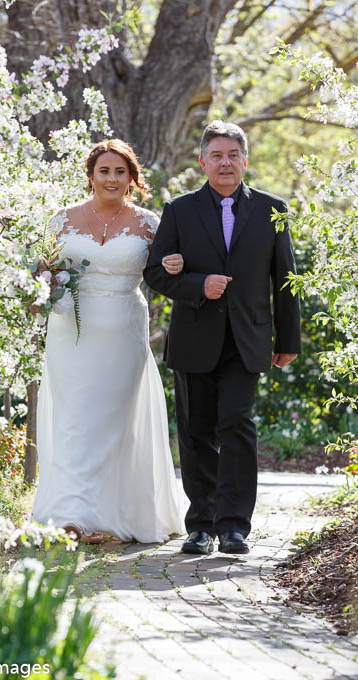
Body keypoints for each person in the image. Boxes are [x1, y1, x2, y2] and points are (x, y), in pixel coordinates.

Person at [143, 120, 301, 555]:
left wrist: (288, 341)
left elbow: (286, 278)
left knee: (236, 424)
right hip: (195, 338)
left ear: (245, 161)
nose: (225, 163)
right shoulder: (179, 210)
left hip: (247, 340)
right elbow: (155, 272)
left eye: (233, 155)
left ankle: (233, 526)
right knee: (195, 432)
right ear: (202, 162)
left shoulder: (273, 209)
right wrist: (197, 286)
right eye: (217, 155)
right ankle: (200, 525)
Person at [32, 139, 185, 543]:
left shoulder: (150, 224)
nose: (112, 178)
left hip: (123, 329)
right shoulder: (60, 220)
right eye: (105, 171)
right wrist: (40, 289)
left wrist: (174, 263)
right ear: (91, 176)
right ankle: (71, 514)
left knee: (113, 419)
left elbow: (166, 274)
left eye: (120, 171)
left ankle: (111, 515)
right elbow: (42, 273)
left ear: (132, 178)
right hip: (70, 333)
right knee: (74, 419)